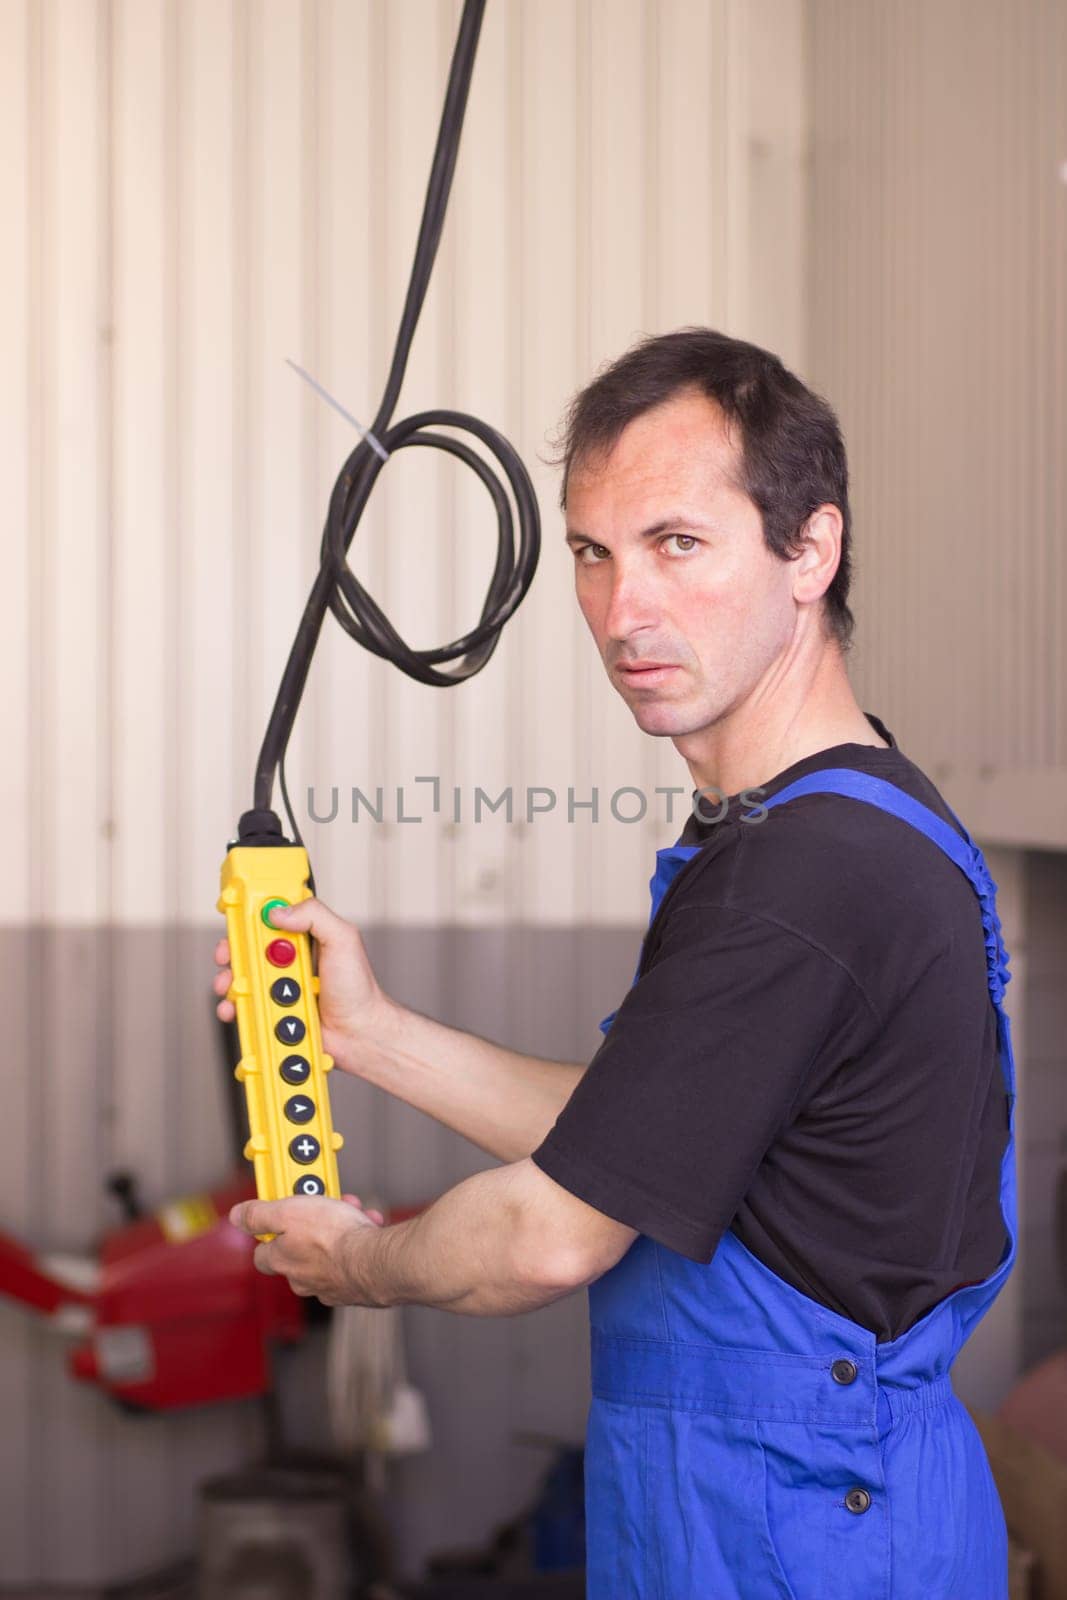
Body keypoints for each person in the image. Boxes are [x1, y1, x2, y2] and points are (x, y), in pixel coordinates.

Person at [216, 328, 1017, 1599]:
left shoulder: (802, 877)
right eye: (592, 552)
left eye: (675, 545)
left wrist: (351, 1264)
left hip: (796, 1532)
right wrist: (369, 1035)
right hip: (781, 1506)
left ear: (809, 549)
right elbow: (653, 1138)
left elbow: (546, 1235)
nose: (619, 608)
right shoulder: (830, 823)